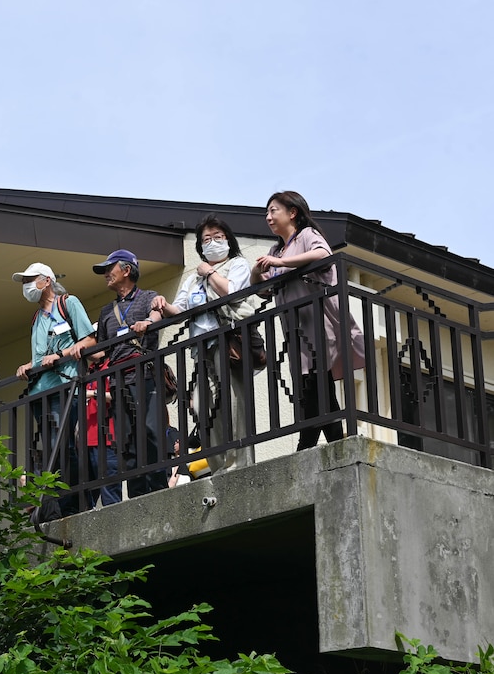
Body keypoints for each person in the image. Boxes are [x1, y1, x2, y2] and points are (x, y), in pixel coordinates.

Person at [251, 191, 365, 451]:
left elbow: (323, 254)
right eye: (266, 212)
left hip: (318, 325)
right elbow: (261, 289)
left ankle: (311, 447)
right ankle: (334, 445)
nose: (268, 217)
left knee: (315, 384)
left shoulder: (306, 236)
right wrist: (256, 272)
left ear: (292, 212)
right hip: (296, 332)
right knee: (310, 389)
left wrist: (280, 262)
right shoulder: (276, 249)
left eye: (273, 210)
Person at [154, 214, 255, 472]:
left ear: (228, 241)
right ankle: (218, 463)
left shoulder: (237, 264)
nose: (212, 243)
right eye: (206, 239)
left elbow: (231, 292)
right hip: (201, 348)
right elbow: (180, 308)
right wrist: (163, 305)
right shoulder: (193, 279)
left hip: (228, 341)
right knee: (202, 406)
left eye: (218, 237)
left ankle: (239, 464)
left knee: (232, 402)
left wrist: (209, 272)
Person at [13, 262, 96, 516]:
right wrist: (29, 365)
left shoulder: (68, 303)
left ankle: (72, 504)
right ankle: (55, 505)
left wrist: (61, 354)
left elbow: (90, 339)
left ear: (46, 280)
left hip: (65, 386)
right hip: (40, 390)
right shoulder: (36, 318)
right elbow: (39, 356)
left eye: (31, 280)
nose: (27, 287)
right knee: (50, 448)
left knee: (62, 445)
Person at [92, 249, 168, 498]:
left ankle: (159, 489)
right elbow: (99, 351)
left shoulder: (147, 297)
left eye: (109, 268)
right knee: (126, 440)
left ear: (126, 270)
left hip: (145, 374)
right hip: (117, 381)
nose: (105, 274)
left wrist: (149, 321)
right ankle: (136, 495)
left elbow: (157, 313)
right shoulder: (105, 312)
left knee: (151, 431)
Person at [85, 350, 121, 506]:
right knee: (86, 493)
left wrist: (92, 393)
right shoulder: (90, 370)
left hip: (108, 438)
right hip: (88, 439)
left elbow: (118, 395)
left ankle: (115, 526)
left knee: (109, 489)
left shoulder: (112, 365)